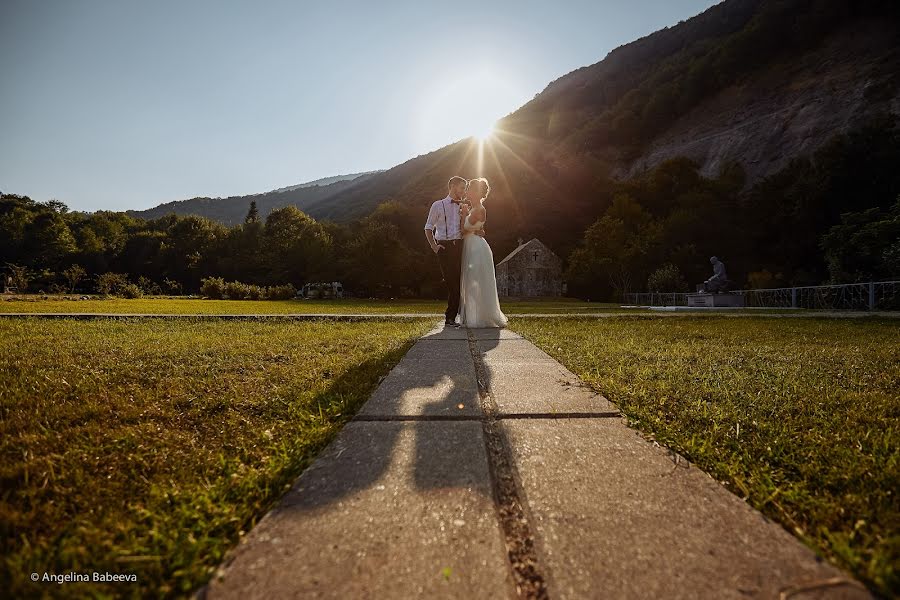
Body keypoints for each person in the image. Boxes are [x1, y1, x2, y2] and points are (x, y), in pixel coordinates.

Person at [458, 177, 508, 328]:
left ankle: (478, 317)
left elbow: (463, 231)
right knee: (471, 282)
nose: (467, 192)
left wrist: (462, 215)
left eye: (470, 190)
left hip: (475, 247)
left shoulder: (479, 209)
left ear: (477, 193)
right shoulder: (474, 209)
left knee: (476, 281)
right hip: (471, 244)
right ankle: (473, 315)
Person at [425, 176, 468, 327]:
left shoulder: (463, 206)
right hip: (444, 248)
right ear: (453, 186)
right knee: (452, 283)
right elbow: (428, 227)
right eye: (462, 187)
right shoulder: (437, 205)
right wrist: (434, 246)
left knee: (462, 282)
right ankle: (450, 317)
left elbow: (466, 228)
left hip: (461, 247)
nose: (464, 191)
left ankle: (461, 316)